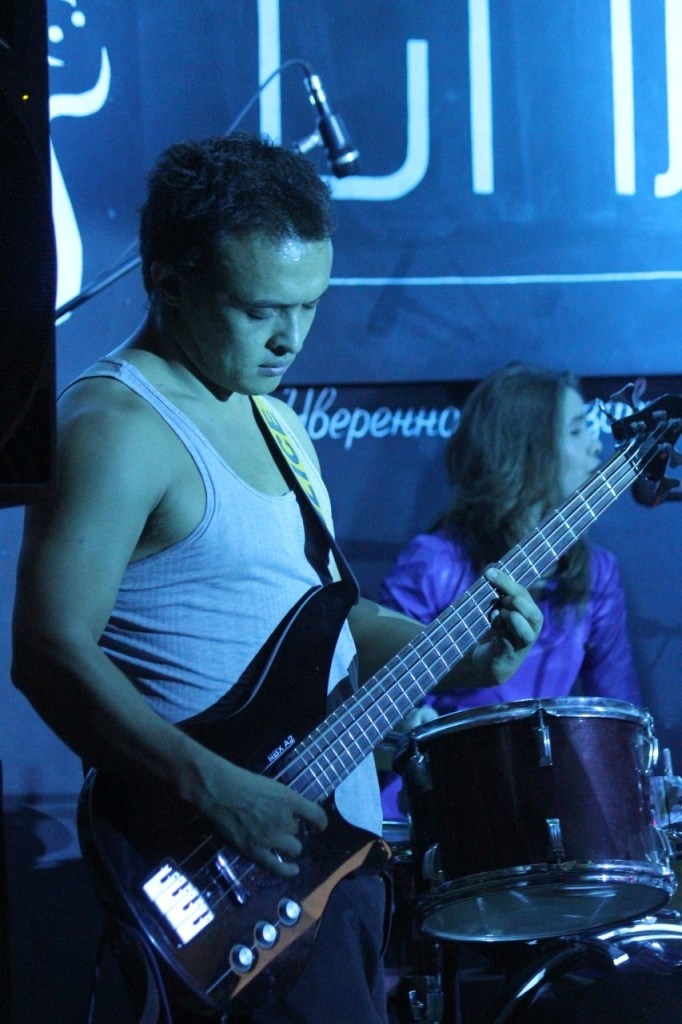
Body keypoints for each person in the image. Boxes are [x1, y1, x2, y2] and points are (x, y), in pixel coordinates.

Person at [10, 135, 543, 1024]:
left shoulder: (277, 419)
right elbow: (46, 650)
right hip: (213, 873)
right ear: (169, 283)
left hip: (328, 867)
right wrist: (210, 786)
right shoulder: (116, 425)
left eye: (309, 305)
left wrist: (464, 656)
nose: (290, 337)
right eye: (260, 309)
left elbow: (329, 619)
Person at [378, 361, 642, 821]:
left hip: (539, 807)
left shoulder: (596, 572)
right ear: (526, 450)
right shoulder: (435, 562)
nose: (596, 445)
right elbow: (379, 688)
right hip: (437, 803)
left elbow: (621, 716)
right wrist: (408, 722)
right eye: (576, 431)